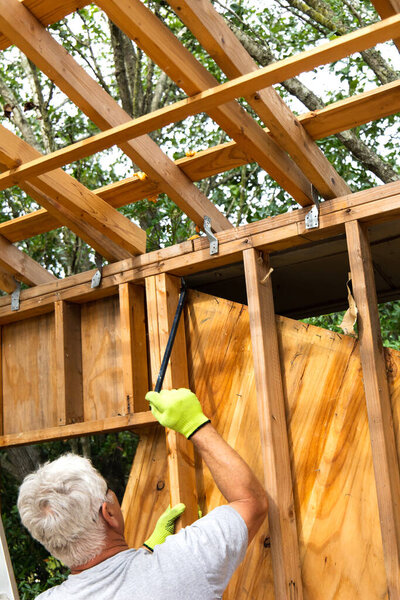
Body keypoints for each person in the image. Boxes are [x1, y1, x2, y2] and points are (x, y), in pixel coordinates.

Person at [18, 388, 268, 599]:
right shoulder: (181, 565)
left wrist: (146, 551)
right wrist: (195, 425)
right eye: (109, 491)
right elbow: (250, 502)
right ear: (108, 514)